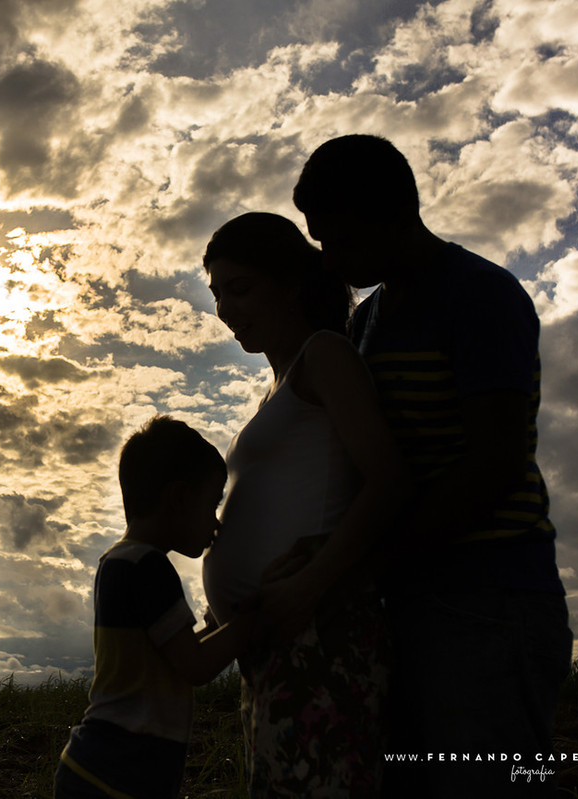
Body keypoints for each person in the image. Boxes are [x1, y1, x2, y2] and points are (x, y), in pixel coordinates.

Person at [293, 134, 573, 797]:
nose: (329, 257)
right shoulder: (368, 322)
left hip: (491, 595)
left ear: (393, 214)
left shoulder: (480, 296)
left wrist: (374, 560)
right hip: (408, 598)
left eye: (337, 236)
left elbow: (495, 462)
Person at [201, 212, 409, 797]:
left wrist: (312, 581)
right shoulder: (276, 385)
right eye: (217, 295)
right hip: (276, 643)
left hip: (320, 632)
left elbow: (389, 480)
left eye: (239, 289)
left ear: (289, 284)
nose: (225, 311)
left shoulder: (324, 356)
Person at [55, 415, 257, 799]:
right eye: (212, 504)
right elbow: (194, 666)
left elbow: (164, 658)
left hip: (95, 767)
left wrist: (214, 630)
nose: (216, 524)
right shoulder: (148, 567)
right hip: (118, 773)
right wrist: (251, 622)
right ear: (179, 499)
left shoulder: (118, 561)